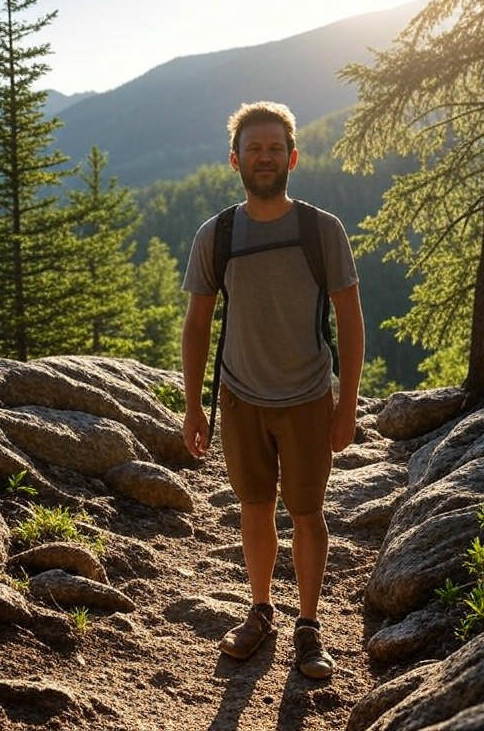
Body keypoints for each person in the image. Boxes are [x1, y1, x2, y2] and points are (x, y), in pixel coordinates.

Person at [180, 101, 365, 680]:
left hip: (309, 399)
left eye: (274, 147)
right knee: (255, 508)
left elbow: (352, 321)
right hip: (239, 399)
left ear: (293, 156)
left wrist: (348, 405)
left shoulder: (320, 229)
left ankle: (308, 627)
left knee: (307, 513)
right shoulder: (218, 234)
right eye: (254, 148)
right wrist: (193, 407)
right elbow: (197, 324)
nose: (265, 157)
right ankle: (260, 611)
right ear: (235, 159)